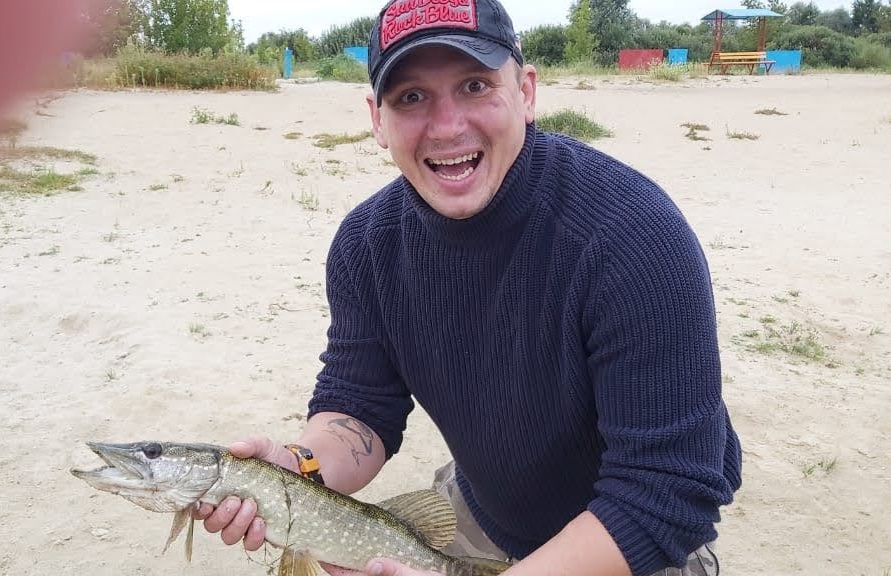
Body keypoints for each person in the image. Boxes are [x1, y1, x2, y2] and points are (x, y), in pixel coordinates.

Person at [194, 0, 742, 574]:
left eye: (475, 86)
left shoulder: (633, 235)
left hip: (628, 541)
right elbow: (361, 404)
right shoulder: (367, 245)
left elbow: (664, 494)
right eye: (411, 97)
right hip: (487, 512)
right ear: (377, 120)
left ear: (526, 92)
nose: (448, 127)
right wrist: (300, 470)